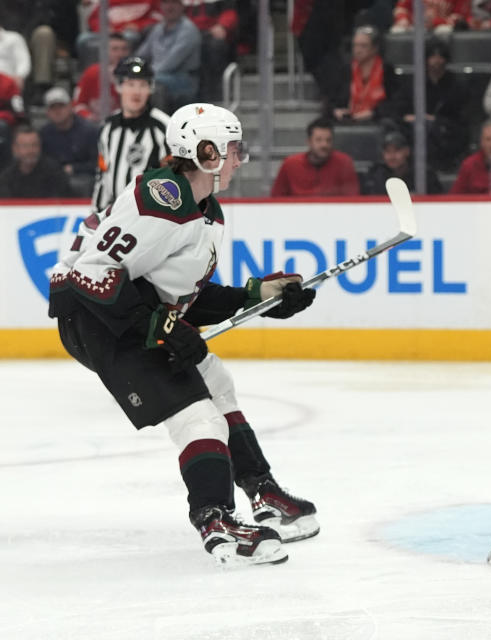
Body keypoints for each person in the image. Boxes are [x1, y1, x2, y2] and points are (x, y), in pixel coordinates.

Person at [48, 103, 319, 567]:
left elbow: (183, 294)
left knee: (217, 383)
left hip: (128, 313)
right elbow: (91, 276)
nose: (240, 159)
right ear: (206, 152)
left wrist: (258, 295)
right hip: (95, 321)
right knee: (199, 417)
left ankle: (263, 492)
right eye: (233, 149)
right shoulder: (162, 197)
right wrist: (158, 328)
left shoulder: (205, 210)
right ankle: (217, 524)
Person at [91, 56, 170, 212]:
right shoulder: (108, 128)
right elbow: (102, 176)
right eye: (130, 84)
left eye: (143, 85)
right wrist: (96, 214)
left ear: (150, 89)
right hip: (116, 215)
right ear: (119, 87)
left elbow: (176, 177)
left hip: (153, 216)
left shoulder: (164, 127)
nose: (136, 91)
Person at [394, 38, 468, 170]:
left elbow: (461, 117)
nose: (436, 61)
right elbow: (399, 108)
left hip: (445, 134)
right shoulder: (413, 83)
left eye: (440, 56)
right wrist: (409, 117)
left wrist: (436, 120)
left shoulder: (456, 85)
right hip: (414, 130)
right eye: (432, 56)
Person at [136, 0, 202, 112]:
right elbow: (141, 54)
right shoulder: (158, 28)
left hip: (182, 79)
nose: (169, 7)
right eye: (166, 2)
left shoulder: (188, 30)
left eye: (174, 2)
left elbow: (171, 63)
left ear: (182, 6)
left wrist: (144, 75)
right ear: (161, 6)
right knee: (127, 80)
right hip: (156, 74)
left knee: (152, 83)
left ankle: (158, 124)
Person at [270, 118, 360, 197]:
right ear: (309, 142)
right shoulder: (290, 164)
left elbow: (352, 201)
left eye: (328, 140)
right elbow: (276, 199)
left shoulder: (344, 163)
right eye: (319, 140)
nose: (324, 145)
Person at [332, 25, 397, 123]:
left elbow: (395, 102)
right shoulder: (346, 70)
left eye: (363, 46)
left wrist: (373, 113)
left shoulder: (387, 71)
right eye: (355, 45)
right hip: (349, 119)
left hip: (378, 119)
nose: (358, 50)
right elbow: (332, 99)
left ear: (375, 48)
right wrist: (337, 110)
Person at [39, 87, 100, 184]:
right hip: (53, 179)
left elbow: (99, 164)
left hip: (84, 180)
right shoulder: (44, 133)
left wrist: (75, 168)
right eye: (53, 107)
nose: (57, 111)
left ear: (71, 107)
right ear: (47, 112)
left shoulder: (89, 131)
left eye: (61, 106)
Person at [0, 124, 73, 198]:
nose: (30, 150)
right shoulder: (7, 177)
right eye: (25, 146)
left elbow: (60, 203)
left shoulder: (55, 173)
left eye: (34, 145)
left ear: (40, 147)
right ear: (15, 149)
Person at [362, 131, 442, 195]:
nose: (392, 156)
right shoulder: (375, 175)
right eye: (388, 152)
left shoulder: (423, 175)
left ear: (407, 151)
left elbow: (437, 202)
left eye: (397, 151)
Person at [73, 32, 131, 122]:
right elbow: (78, 105)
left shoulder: (133, 75)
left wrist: (117, 81)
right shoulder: (91, 73)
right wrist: (89, 117)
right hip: (93, 125)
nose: (120, 54)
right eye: (115, 49)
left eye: (124, 49)